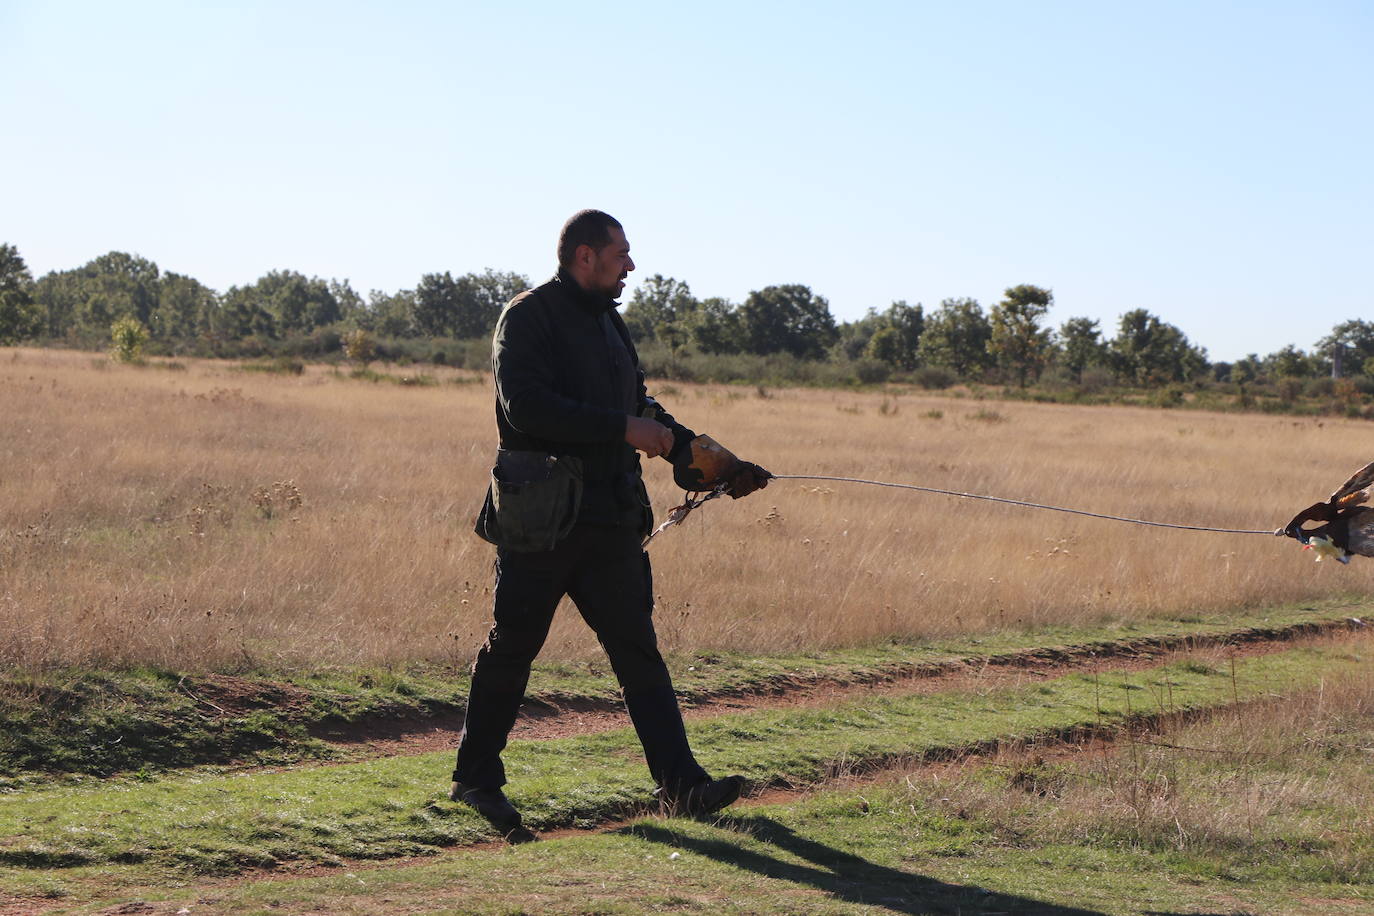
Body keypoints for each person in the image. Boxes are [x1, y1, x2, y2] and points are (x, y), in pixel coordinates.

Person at [450, 209, 771, 843]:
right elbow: (527, 406)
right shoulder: (528, 316)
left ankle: (681, 786)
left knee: (639, 653)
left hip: (610, 519)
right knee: (513, 647)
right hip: (541, 520)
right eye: (621, 253)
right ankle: (476, 780)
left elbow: (640, 407)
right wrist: (625, 429)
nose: (631, 265)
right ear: (585, 257)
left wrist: (704, 458)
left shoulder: (610, 323)